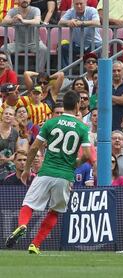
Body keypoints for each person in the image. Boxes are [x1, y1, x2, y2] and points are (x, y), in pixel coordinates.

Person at [5, 90, 91, 254]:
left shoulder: (51, 123)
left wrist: (27, 169)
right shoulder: (82, 127)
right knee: (55, 211)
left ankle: (23, 224)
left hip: (46, 171)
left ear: (63, 104)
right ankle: (35, 244)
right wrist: (74, 164)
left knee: (28, 204)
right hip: (65, 175)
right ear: (78, 105)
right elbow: (87, 155)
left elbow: (34, 148)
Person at [1, 0, 48, 72]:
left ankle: (39, 77)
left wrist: (23, 21)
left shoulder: (35, 9)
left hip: (35, 42)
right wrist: (13, 20)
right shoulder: (13, 11)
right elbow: (4, 22)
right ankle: (10, 74)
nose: (25, 0)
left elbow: (37, 21)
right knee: (4, 48)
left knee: (43, 49)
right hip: (18, 43)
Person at [58, 0, 102, 68]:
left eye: (81, 4)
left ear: (85, 3)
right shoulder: (71, 11)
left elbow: (97, 22)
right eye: (76, 4)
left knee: (99, 47)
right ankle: (66, 75)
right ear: (73, 4)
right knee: (63, 48)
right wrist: (68, 22)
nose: (79, 6)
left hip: (94, 43)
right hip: (78, 45)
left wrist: (82, 23)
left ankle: (97, 75)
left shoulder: (92, 10)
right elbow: (60, 23)